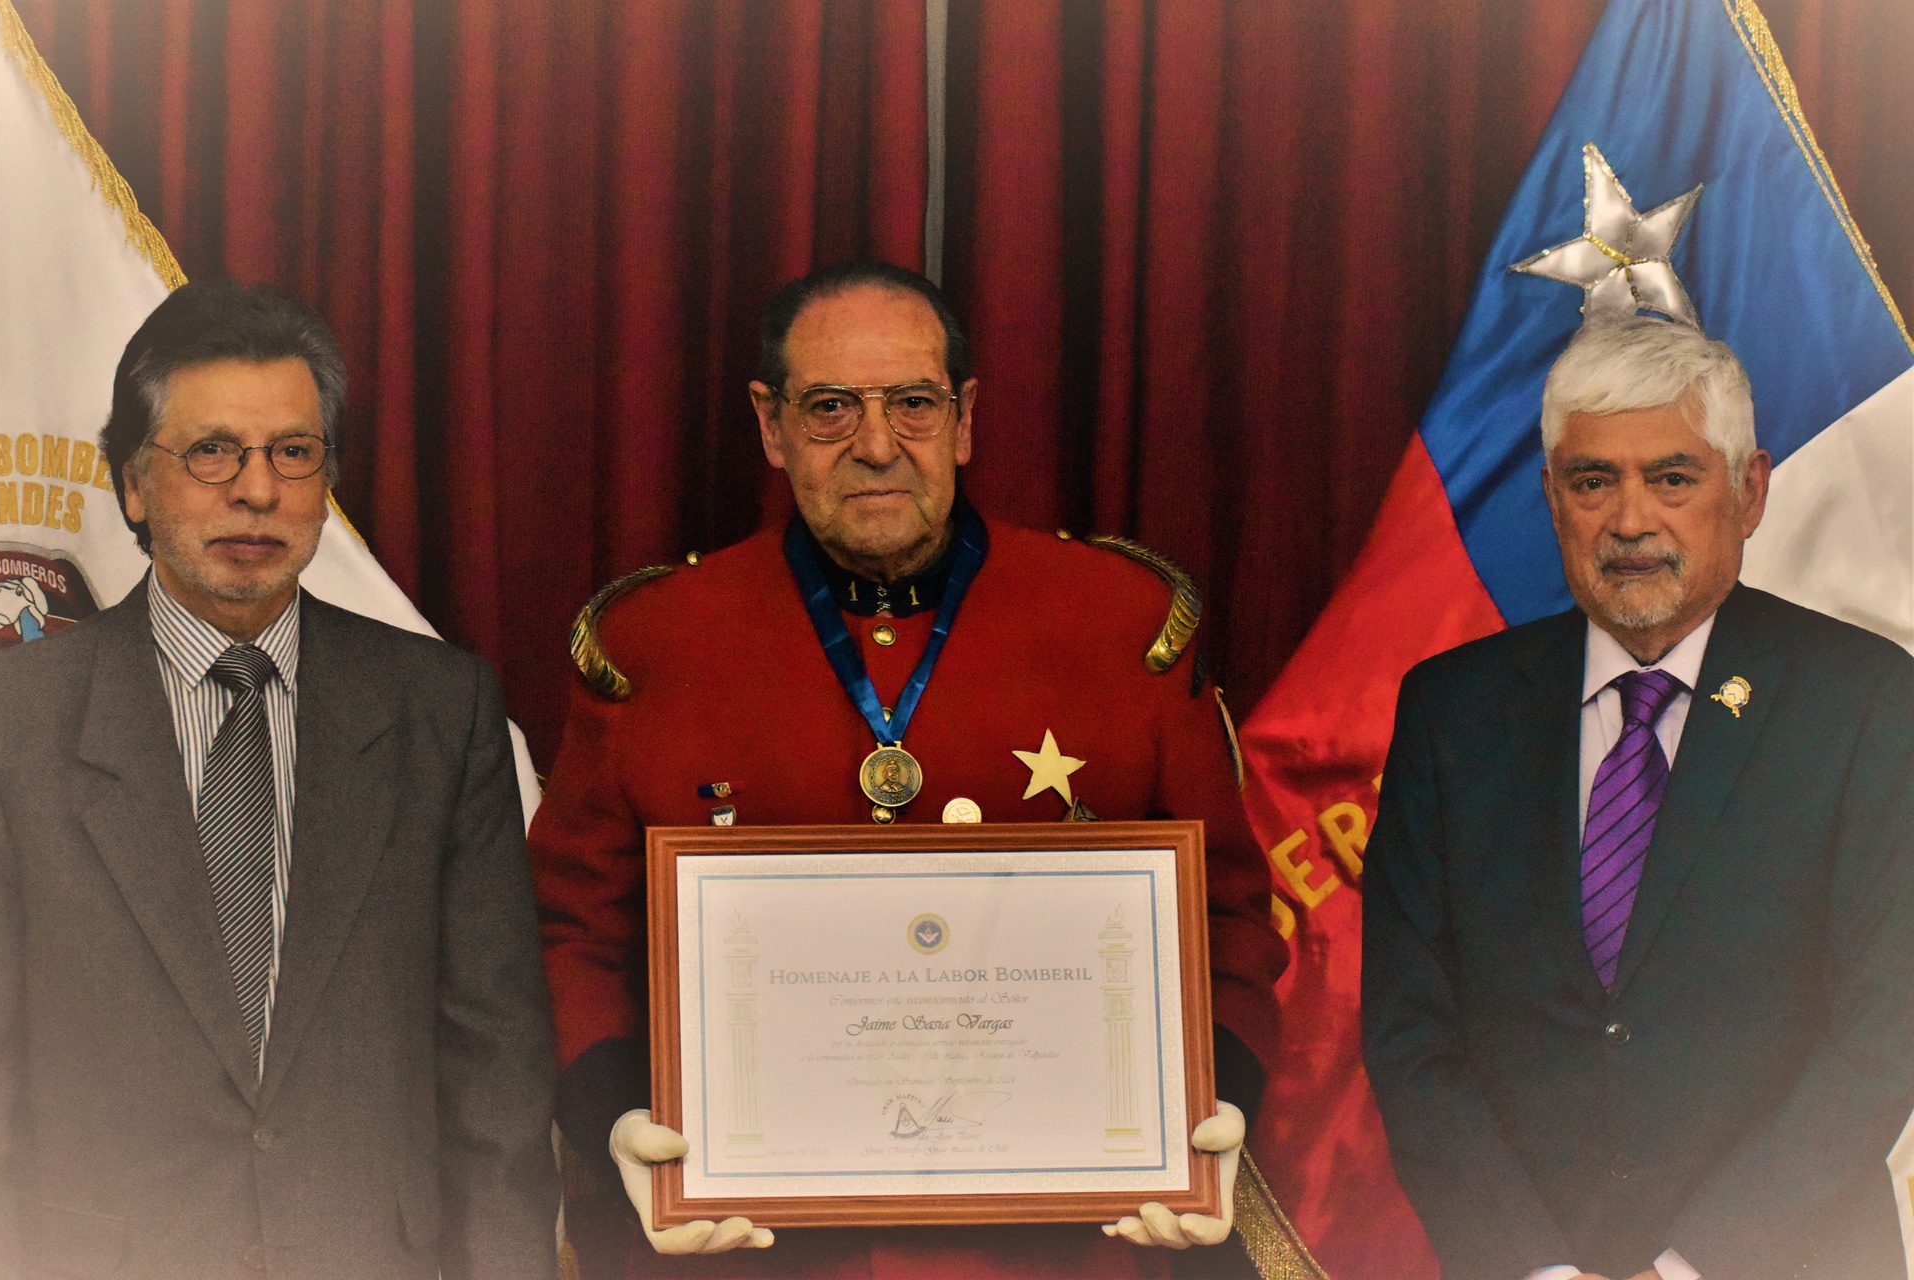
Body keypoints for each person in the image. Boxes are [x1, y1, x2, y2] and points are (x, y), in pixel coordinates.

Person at [530, 261, 1290, 1279]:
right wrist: (616, 1112)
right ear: (771, 425)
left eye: (914, 404)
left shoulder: (1118, 620)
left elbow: (1228, 918)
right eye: (832, 407)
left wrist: (1212, 1106)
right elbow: (571, 933)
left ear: (965, 418)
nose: (878, 445)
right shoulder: (658, 641)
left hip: (1072, 1251)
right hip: (749, 1250)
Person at [0, 280, 561, 1280]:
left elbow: (496, 1080)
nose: (256, 490)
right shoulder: (16, 721)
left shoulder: (440, 708)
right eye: (213, 451)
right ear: (133, 482)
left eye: (292, 454)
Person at [1361, 315, 1914, 1280]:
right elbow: (1412, 1033)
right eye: (1591, 481)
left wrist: (1691, 1267)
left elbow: (1887, 1032)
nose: (1628, 521)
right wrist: (1531, 1266)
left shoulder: (1868, 701)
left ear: (1748, 492)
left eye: (1671, 477)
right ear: (1551, 498)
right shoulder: (1453, 711)